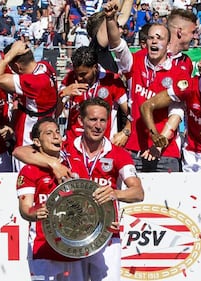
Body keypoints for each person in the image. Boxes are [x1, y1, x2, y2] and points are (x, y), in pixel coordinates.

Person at [14, 97, 144, 281]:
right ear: (81, 121)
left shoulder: (118, 154)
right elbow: (19, 151)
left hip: (106, 233)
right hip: (73, 236)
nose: (98, 126)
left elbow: (138, 192)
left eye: (103, 120)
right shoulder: (66, 148)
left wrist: (116, 193)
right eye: (92, 119)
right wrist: (54, 164)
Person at [105, 0, 186, 172]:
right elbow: (117, 45)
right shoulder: (135, 60)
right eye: (151, 37)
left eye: (159, 38)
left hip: (166, 152)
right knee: (133, 198)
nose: (154, 41)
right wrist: (111, 19)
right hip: (134, 147)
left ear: (168, 44)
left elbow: (177, 112)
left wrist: (160, 142)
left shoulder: (178, 72)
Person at [16, 117, 84, 280]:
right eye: (49, 133)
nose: (56, 136)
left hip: (74, 248)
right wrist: (35, 212)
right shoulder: (29, 170)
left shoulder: (76, 162)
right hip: (43, 249)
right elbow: (25, 209)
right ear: (37, 142)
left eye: (57, 132)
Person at [0, 40, 58, 172]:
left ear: (17, 66)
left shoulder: (33, 82)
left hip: (27, 140)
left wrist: (10, 55)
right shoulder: (45, 66)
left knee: (24, 181)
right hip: (40, 132)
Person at [58, 46, 130, 146]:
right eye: (76, 74)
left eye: (83, 74)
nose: (79, 78)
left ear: (95, 67)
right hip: (73, 144)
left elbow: (131, 113)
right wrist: (62, 95)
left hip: (103, 145)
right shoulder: (69, 78)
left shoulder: (112, 81)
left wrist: (126, 132)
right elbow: (56, 113)